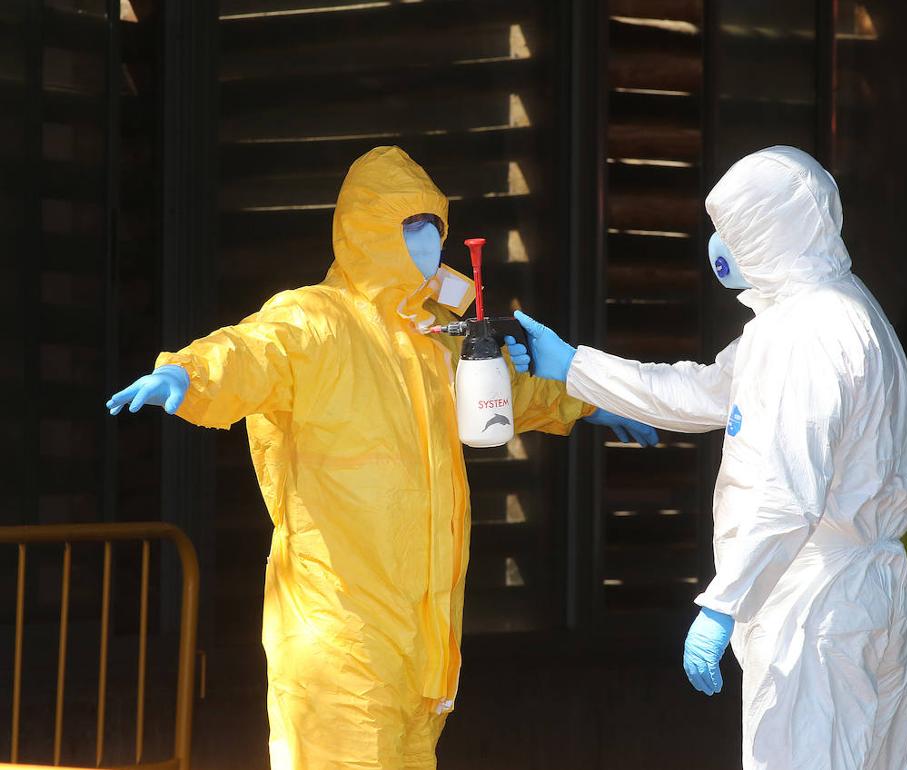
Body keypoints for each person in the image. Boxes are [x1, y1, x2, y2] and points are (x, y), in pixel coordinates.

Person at [106, 146, 657, 770]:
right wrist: (188, 374)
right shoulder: (316, 322)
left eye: (432, 229)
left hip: (422, 643)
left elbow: (507, 390)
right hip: (337, 636)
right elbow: (253, 352)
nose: (424, 245)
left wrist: (592, 402)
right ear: (366, 232)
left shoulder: (434, 338)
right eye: (406, 228)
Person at [510, 146, 907, 770]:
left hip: (813, 603)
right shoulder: (832, 309)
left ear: (766, 234)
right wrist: (577, 369)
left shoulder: (803, 336)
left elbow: (786, 492)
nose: (717, 247)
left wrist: (723, 603)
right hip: (854, 597)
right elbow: (705, 391)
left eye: (730, 231)